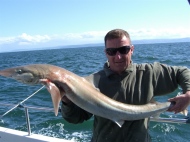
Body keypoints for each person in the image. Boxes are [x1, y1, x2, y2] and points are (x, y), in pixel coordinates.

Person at [61, 29, 190, 142]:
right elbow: (75, 118)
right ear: (106, 52)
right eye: (111, 51)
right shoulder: (92, 81)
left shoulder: (148, 73)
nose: (118, 56)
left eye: (123, 50)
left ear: (132, 50)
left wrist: (188, 93)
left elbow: (182, 72)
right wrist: (67, 100)